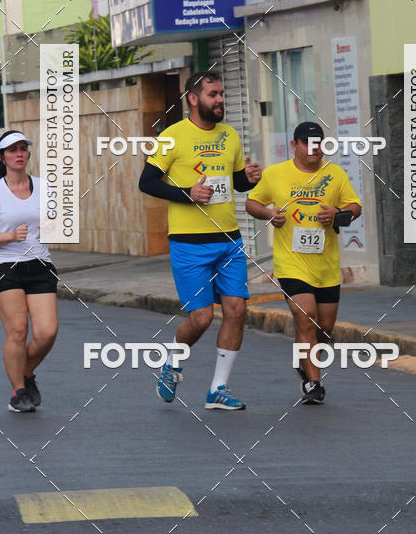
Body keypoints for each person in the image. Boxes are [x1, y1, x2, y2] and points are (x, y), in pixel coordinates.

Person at [138, 71, 262, 410]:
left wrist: (249, 179)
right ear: (193, 98)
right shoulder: (172, 137)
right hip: (189, 243)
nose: (220, 100)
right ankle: (173, 362)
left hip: (228, 240)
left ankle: (218, 389)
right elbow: (147, 182)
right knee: (202, 318)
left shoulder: (230, 136)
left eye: (222, 93)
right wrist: (187, 193)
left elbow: (236, 183)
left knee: (237, 310)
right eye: (213, 94)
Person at [245, 122, 361, 405]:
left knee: (325, 328)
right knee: (305, 316)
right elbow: (252, 202)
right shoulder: (275, 174)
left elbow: (355, 207)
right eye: (307, 143)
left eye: (318, 143)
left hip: (326, 266)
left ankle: (303, 359)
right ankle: (313, 382)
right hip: (291, 263)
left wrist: (338, 214)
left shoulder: (334, 174)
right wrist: (269, 213)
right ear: (295, 145)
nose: (314, 148)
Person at [0, 131, 59, 412]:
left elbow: (52, 223)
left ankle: (25, 372)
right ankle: (18, 392)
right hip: (3, 267)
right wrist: (10, 235)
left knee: (47, 332)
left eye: (23, 149)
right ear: (2, 157)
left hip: (39, 264)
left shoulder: (44, 187)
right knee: (18, 330)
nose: (19, 154)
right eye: (12, 150)